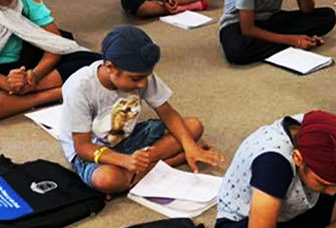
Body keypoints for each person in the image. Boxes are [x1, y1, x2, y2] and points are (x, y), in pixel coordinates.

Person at [60, 26, 224, 194]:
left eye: (146, 77)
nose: (142, 84)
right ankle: (166, 163)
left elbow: (167, 113)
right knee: (107, 179)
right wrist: (124, 161)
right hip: (94, 150)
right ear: (110, 67)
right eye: (136, 79)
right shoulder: (80, 88)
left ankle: (137, 172)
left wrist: (190, 146)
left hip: (126, 138)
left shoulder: (140, 74)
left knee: (193, 126)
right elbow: (83, 147)